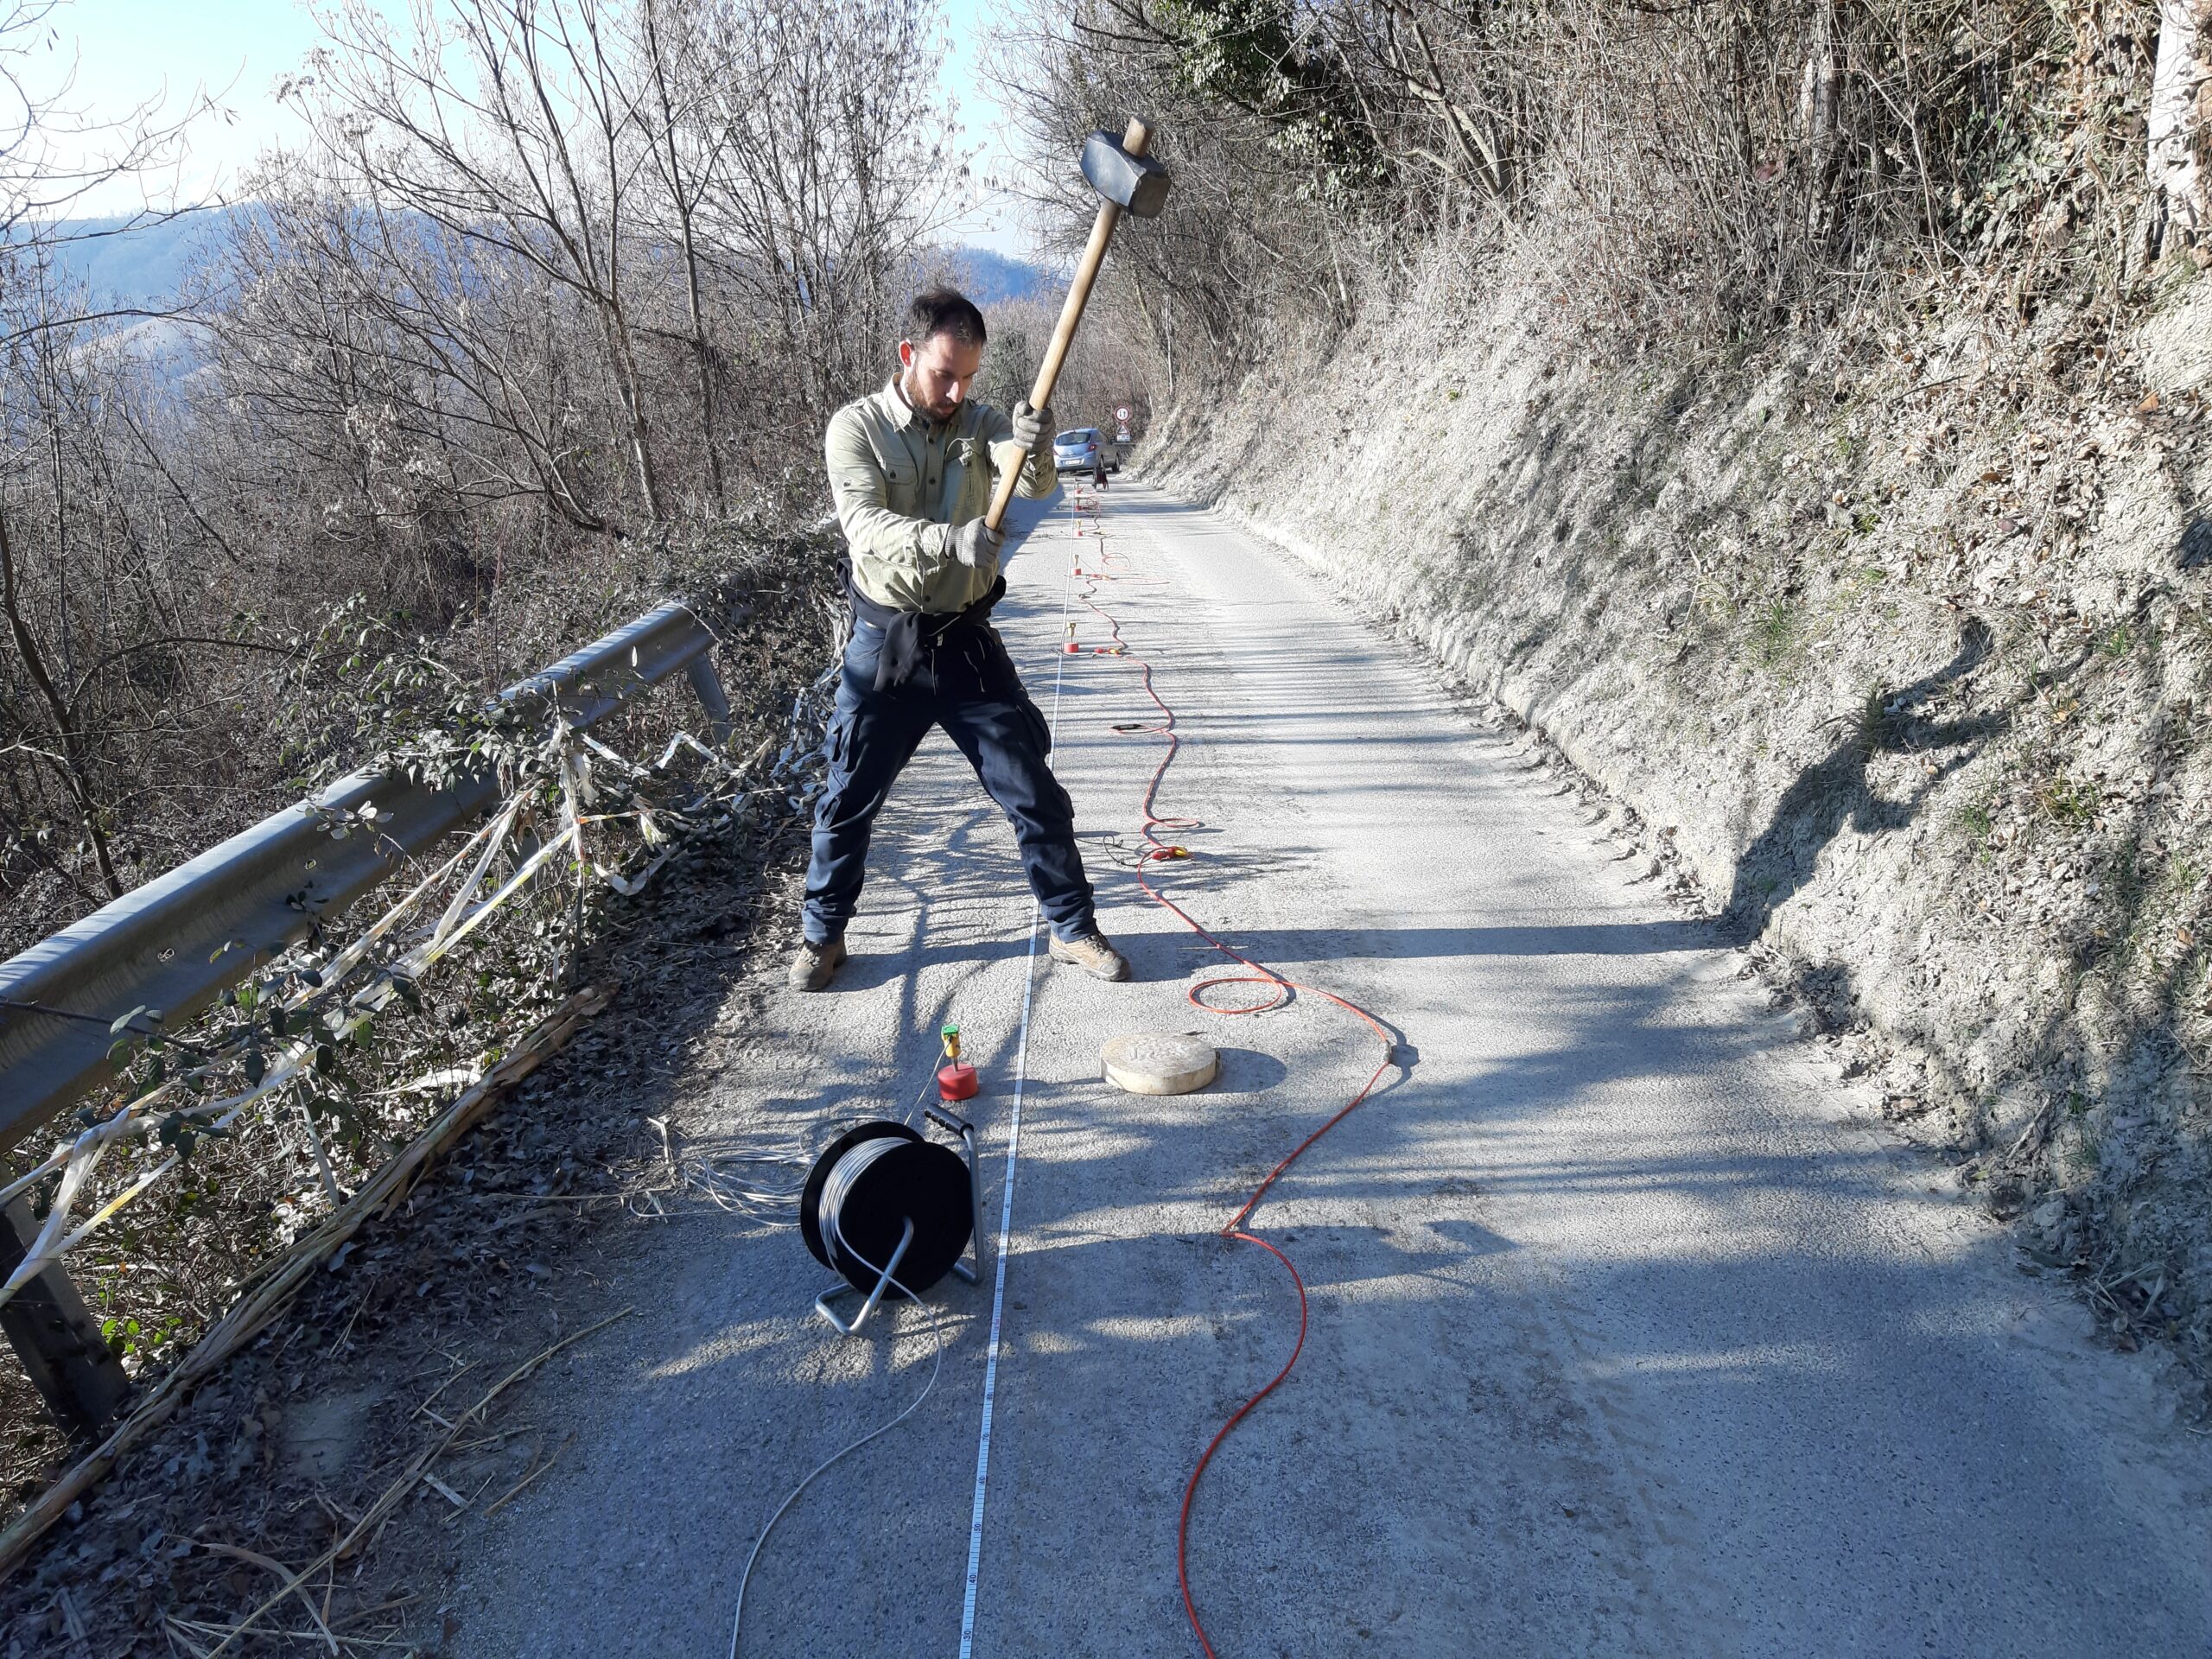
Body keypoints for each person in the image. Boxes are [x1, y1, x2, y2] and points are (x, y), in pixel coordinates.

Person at [789, 288, 1132, 992]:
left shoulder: (976, 424)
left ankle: (1071, 927)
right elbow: (865, 528)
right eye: (944, 373)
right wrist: (954, 540)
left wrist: (1035, 446)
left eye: (969, 377)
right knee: (847, 793)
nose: (956, 390)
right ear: (908, 355)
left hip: (967, 643)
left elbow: (1026, 477)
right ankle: (823, 936)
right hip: (886, 646)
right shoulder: (855, 429)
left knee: (1032, 788)